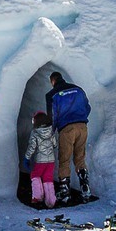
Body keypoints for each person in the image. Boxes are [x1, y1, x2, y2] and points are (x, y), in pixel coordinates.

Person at [45, 71, 91, 204]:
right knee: (79, 157)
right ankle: (85, 187)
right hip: (82, 126)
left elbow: (52, 115)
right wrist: (81, 117)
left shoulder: (52, 95)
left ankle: (64, 192)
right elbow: (87, 107)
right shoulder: (78, 89)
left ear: (52, 81)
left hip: (66, 129)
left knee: (64, 159)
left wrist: (51, 132)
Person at [22, 111, 58, 208]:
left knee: (35, 175)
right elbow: (55, 145)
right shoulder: (51, 131)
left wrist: (27, 157)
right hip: (51, 160)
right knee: (48, 178)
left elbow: (32, 147)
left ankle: (38, 196)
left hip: (40, 160)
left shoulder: (35, 133)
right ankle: (51, 200)